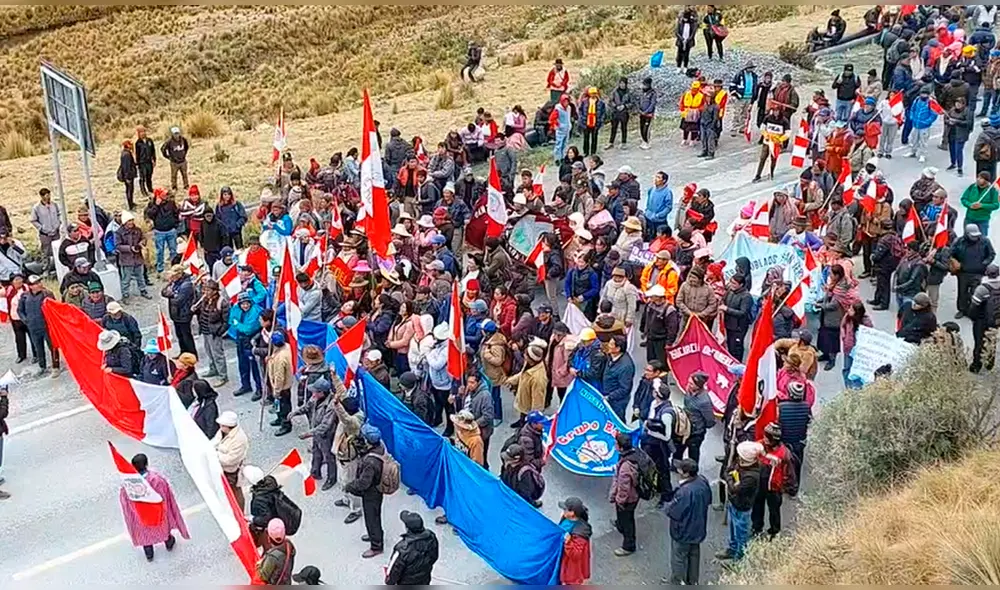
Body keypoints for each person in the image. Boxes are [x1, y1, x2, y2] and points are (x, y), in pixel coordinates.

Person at [119, 453, 189, 563]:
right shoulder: (156, 479)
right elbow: (164, 496)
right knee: (163, 529)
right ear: (146, 464)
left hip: (140, 515)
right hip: (157, 512)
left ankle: (149, 554)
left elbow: (125, 501)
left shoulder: (128, 483)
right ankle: (169, 544)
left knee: (145, 535)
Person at [664, 458, 712, 585]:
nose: (678, 470)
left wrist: (667, 505)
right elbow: (709, 500)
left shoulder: (684, 492)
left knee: (679, 558)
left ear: (685, 473)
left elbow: (673, 512)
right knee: (694, 555)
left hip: (683, 531)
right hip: (698, 528)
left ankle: (678, 582)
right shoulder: (703, 481)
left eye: (680, 468)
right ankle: (693, 581)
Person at [345, 424, 387, 559]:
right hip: (377, 489)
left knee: (372, 518)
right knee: (375, 515)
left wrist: (349, 486)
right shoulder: (380, 447)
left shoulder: (370, 463)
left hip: (371, 492)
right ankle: (375, 535)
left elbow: (363, 483)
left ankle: (376, 546)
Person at [752, 423, 797, 539]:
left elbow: (790, 473)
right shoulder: (759, 445)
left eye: (768, 437)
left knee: (774, 511)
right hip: (759, 484)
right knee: (757, 507)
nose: (764, 439)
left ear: (774, 439)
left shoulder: (784, 454)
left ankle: (774, 532)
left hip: (775, 488)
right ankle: (757, 528)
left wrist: (790, 488)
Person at [641, 379, 679, 506]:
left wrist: (650, 431)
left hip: (659, 446)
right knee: (651, 466)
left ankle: (666, 495)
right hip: (650, 442)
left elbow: (667, 436)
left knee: (663, 470)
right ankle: (655, 487)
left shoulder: (666, 414)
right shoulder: (654, 404)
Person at [953, 224, 996, 318]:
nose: (975, 238)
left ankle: (974, 311)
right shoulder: (959, 242)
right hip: (963, 272)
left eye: (976, 235)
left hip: (978, 272)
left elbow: (991, 254)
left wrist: (984, 263)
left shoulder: (985, 241)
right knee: (962, 292)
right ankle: (962, 310)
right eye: (973, 236)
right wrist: (955, 262)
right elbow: (952, 253)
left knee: (975, 292)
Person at [386, 511, 439, 585]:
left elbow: (394, 571)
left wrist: (389, 582)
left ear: (407, 528)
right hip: (425, 579)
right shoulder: (432, 537)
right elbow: (434, 557)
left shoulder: (402, 549)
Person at [19, 276, 59, 375]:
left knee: (52, 346)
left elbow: (54, 307)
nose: (39, 285)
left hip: (46, 326)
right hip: (33, 326)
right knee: (38, 347)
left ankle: (56, 366)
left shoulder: (47, 294)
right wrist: (25, 320)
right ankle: (42, 366)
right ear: (30, 286)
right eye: (36, 283)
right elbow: (20, 310)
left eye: (39, 282)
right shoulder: (24, 296)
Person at [212, 410, 250, 511]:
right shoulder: (222, 432)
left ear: (228, 426)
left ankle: (240, 512)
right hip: (222, 467)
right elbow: (215, 442)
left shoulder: (240, 440)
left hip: (231, 470)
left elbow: (230, 460)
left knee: (236, 490)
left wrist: (215, 454)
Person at [609, 432, 640, 556]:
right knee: (624, 517)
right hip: (635, 494)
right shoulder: (634, 454)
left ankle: (629, 546)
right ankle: (620, 524)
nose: (614, 445)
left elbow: (624, 489)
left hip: (628, 499)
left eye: (616, 443)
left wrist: (619, 500)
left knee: (628, 520)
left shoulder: (625, 467)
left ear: (620, 447)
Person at [506, 342, 548, 428]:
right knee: (523, 414)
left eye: (526, 354)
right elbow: (522, 374)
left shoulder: (538, 378)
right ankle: (521, 422)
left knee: (526, 427)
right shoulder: (529, 364)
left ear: (531, 358)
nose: (524, 355)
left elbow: (538, 401)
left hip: (529, 408)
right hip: (524, 401)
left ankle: (522, 431)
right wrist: (511, 380)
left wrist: (534, 417)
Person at [161, 265, 196, 355]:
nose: (172, 277)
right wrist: (170, 286)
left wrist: (171, 294)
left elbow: (178, 301)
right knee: (179, 335)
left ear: (179, 274)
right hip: (175, 314)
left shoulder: (186, 285)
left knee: (186, 336)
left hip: (184, 314)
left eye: (173, 275)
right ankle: (183, 353)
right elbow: (163, 292)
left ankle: (192, 354)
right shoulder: (174, 282)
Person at [558, 497, 593, 585]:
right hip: (565, 559)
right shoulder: (566, 519)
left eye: (565, 509)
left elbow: (576, 554)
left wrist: (568, 542)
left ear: (572, 513)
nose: (563, 511)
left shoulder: (581, 532)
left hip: (572, 568)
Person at [144, 189, 180, 274]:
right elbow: (149, 214)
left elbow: (176, 213)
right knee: (160, 251)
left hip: (171, 230)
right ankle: (160, 268)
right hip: (159, 231)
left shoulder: (171, 203)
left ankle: (174, 266)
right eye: (162, 195)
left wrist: (175, 225)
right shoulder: (152, 204)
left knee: (173, 250)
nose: (165, 197)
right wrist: (156, 205)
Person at [266, 331, 295, 437]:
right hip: (282, 384)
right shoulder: (285, 346)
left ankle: (286, 424)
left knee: (284, 406)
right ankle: (279, 418)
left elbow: (279, 377)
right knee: (279, 404)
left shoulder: (280, 358)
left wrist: (277, 391)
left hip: (282, 387)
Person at [721, 273, 753, 360]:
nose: (731, 285)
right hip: (729, 325)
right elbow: (724, 301)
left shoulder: (746, 296)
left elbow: (743, 313)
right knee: (730, 346)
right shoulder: (730, 292)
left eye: (734, 283)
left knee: (736, 348)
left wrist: (727, 309)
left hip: (738, 327)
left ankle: (737, 364)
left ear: (741, 285)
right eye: (731, 282)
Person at [29, 188, 61, 274]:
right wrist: (41, 228)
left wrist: (58, 223)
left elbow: (59, 214)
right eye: (46, 195)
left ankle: (58, 266)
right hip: (45, 234)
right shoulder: (36, 208)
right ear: (42, 196)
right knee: (45, 252)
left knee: (58, 250)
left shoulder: (54, 205)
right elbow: (33, 220)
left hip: (56, 232)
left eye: (49, 195)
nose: (48, 197)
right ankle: (46, 269)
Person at [256, 519, 296, 585]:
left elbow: (263, 576)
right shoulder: (289, 547)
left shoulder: (273, 556)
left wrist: (259, 565)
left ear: (269, 537)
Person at [908, 87, 939, 163]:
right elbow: (912, 109)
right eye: (922, 93)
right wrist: (912, 117)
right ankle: (913, 152)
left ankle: (922, 155)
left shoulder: (931, 102)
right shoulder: (916, 100)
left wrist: (927, 122)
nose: (923, 95)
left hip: (924, 126)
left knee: (923, 141)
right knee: (913, 139)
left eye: (925, 94)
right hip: (915, 124)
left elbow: (934, 114)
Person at [946, 96, 973, 176]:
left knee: (958, 150)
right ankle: (953, 163)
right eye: (956, 103)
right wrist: (948, 122)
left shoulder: (967, 111)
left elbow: (968, 123)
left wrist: (956, 121)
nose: (957, 105)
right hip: (952, 132)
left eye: (959, 103)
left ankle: (960, 168)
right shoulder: (952, 110)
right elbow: (946, 118)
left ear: (963, 104)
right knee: (952, 149)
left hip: (961, 133)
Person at [577, 87, 606, 157]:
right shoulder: (585, 101)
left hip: (596, 121)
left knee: (594, 137)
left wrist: (601, 120)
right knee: (586, 138)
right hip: (586, 121)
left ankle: (593, 151)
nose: (593, 95)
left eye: (594, 93)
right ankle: (585, 151)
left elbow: (603, 112)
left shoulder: (600, 102)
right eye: (592, 93)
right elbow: (580, 110)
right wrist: (581, 118)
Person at [160, 126, 190, 190]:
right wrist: (168, 157)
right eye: (175, 133)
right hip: (174, 162)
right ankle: (174, 187)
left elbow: (187, 147)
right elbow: (163, 149)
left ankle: (186, 185)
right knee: (174, 176)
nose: (177, 135)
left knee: (184, 174)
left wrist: (184, 154)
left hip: (183, 161)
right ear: (172, 134)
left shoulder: (183, 139)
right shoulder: (169, 141)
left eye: (177, 133)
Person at [607, 77, 633, 150]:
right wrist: (615, 106)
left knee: (624, 128)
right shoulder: (615, 92)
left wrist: (624, 106)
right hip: (615, 112)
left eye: (624, 83)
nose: (622, 85)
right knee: (613, 128)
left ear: (626, 84)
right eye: (621, 83)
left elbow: (631, 103)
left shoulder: (629, 92)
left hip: (624, 112)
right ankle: (611, 142)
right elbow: (610, 101)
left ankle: (623, 143)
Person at [675, 5, 698, 71]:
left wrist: (688, 39)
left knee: (686, 54)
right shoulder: (680, 23)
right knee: (679, 54)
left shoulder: (692, 24)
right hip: (680, 40)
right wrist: (681, 39)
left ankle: (685, 66)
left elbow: (693, 33)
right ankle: (678, 67)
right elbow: (676, 32)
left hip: (688, 41)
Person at [134, 126, 155, 197]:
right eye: (141, 132)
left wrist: (154, 160)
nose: (143, 133)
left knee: (149, 176)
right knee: (142, 177)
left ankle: (150, 188)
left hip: (149, 161)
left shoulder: (150, 141)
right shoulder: (138, 143)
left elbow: (153, 151)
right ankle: (143, 190)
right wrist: (138, 164)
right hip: (142, 163)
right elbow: (137, 154)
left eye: (144, 131)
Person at [117, 140, 138, 210]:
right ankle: (130, 205)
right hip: (128, 176)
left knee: (129, 190)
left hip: (128, 175)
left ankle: (131, 202)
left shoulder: (126, 153)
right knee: (129, 190)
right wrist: (127, 177)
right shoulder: (126, 154)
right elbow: (126, 167)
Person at [638, 77, 657, 150]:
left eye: (645, 85)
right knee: (641, 128)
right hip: (641, 114)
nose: (644, 86)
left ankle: (647, 142)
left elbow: (652, 104)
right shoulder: (642, 92)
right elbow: (640, 102)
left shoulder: (653, 93)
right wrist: (639, 109)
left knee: (646, 129)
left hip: (648, 114)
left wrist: (646, 111)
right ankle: (643, 140)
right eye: (643, 84)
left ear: (649, 85)